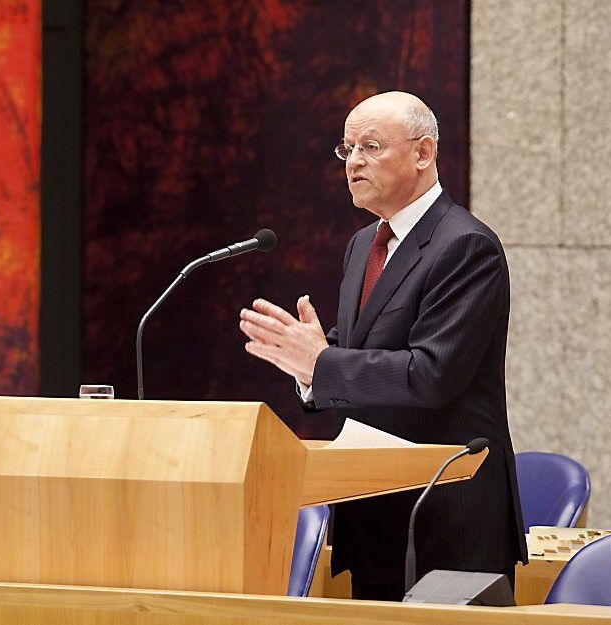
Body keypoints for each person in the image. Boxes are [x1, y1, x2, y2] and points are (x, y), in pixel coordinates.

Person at [239, 91, 527, 601]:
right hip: (375, 515)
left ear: (423, 153)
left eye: (370, 146)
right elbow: (356, 352)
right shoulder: (363, 245)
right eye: (346, 149)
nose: (353, 162)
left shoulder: (465, 245)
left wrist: (322, 363)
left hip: (448, 518)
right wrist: (308, 369)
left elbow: (431, 375)